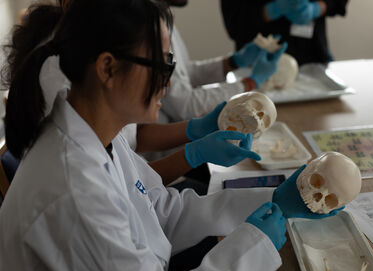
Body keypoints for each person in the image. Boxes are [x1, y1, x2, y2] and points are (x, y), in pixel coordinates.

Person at [0, 0, 341, 271]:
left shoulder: (97, 133)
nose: (169, 79)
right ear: (107, 68)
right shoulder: (72, 191)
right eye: (162, 65)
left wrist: (274, 201)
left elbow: (164, 212)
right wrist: (255, 243)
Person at [3, 0, 271, 188]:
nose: (164, 85)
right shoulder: (68, 80)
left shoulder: (107, 50)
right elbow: (127, 187)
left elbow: (131, 140)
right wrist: (194, 153)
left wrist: (197, 131)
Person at [220, 0, 349, 65]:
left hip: (313, 58)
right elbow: (233, 24)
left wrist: (318, 8)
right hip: (256, 62)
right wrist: (270, 11)